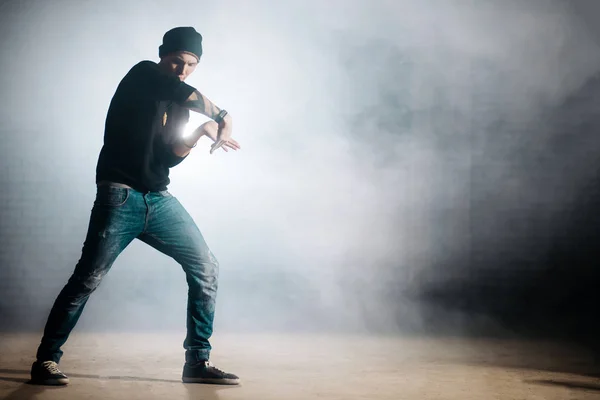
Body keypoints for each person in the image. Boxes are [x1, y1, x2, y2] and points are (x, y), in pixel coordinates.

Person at [29, 26, 241, 386]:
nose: (183, 70)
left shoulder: (177, 104)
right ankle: (46, 360)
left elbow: (167, 159)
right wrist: (223, 115)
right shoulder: (142, 74)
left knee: (206, 267)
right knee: (87, 279)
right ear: (163, 55)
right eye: (177, 61)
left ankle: (197, 363)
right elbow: (186, 93)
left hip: (158, 200)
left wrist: (198, 133)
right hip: (120, 196)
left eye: (191, 64)